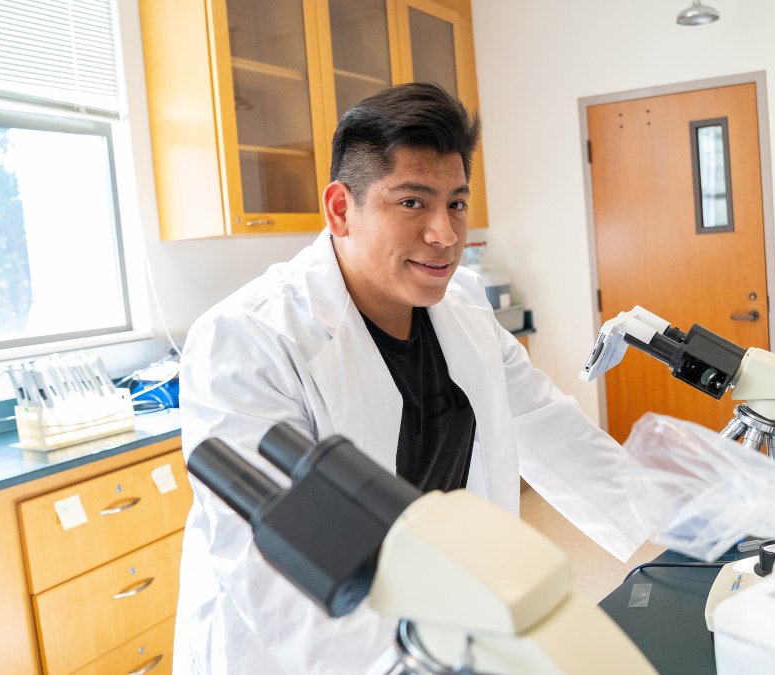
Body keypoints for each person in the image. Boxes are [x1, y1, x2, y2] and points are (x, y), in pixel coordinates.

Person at [174, 83, 644, 673]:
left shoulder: (464, 305)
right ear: (341, 209)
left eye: (456, 203)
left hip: (446, 614)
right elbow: (276, 572)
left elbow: (547, 426)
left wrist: (677, 522)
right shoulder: (248, 341)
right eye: (413, 203)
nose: (446, 236)